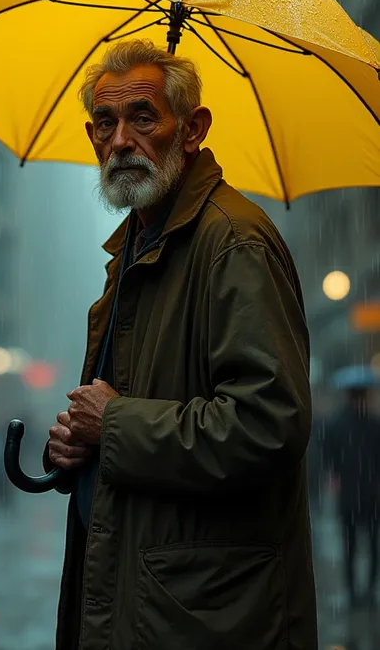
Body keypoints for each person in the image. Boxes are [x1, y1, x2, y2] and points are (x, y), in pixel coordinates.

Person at [44, 39, 317, 650]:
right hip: (146, 599)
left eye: (144, 117)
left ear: (192, 130)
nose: (120, 141)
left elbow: (268, 423)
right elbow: (129, 406)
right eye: (106, 124)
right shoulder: (135, 249)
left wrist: (112, 424)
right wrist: (78, 444)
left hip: (207, 617)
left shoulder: (234, 243)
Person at [325, 386, 380, 610]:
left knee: (371, 543)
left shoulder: (374, 425)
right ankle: (352, 589)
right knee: (351, 544)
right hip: (350, 493)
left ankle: (368, 588)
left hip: (371, 494)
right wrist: (333, 476)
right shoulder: (338, 424)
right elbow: (329, 455)